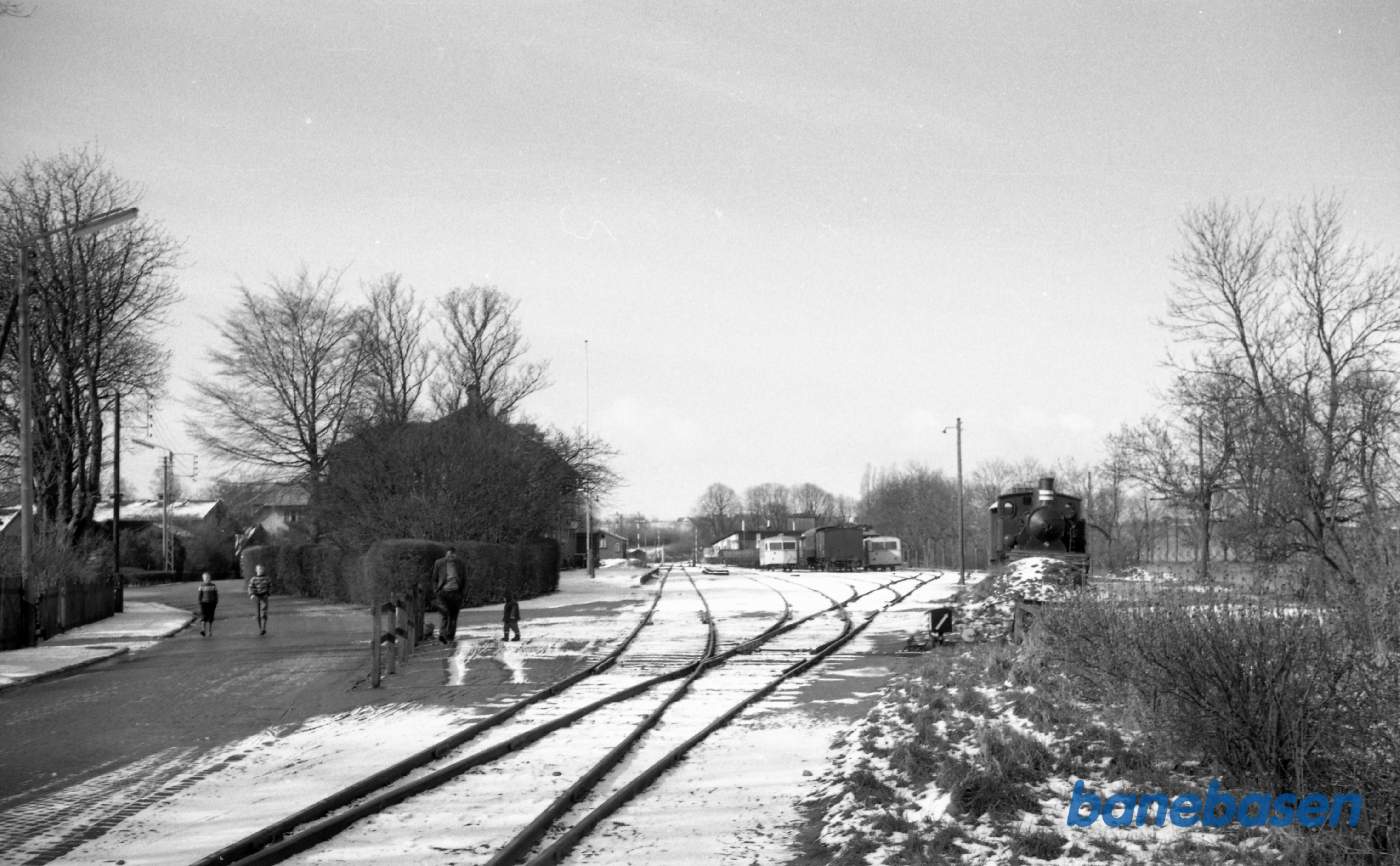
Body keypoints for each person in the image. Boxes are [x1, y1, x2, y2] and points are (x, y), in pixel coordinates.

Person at [432, 547, 466, 642]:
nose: (450, 557)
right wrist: (436, 591)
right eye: (448, 555)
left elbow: (464, 579)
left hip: (456, 592)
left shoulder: (460, 564)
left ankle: (450, 636)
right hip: (443, 592)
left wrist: (461, 593)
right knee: (445, 613)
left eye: (452, 555)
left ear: (455, 555)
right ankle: (442, 634)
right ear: (446, 554)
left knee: (454, 616)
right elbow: (434, 578)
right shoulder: (439, 563)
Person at [247, 563, 272, 635]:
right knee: (257, 614)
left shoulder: (267, 578)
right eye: (259, 569)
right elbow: (250, 587)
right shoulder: (253, 579)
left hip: (264, 596)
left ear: (263, 570)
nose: (260, 570)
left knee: (264, 612)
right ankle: (260, 628)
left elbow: (270, 586)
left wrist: (268, 593)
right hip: (256, 596)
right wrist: (251, 594)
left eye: (262, 569)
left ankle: (264, 628)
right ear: (256, 570)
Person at [197, 572, 219, 637]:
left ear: (210, 578)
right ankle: (203, 630)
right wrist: (200, 602)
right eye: (205, 578)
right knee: (203, 616)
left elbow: (216, 594)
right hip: (203, 603)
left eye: (208, 578)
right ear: (203, 579)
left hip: (212, 603)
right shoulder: (201, 586)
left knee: (210, 617)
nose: (207, 579)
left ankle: (209, 631)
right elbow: (199, 595)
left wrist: (216, 601)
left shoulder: (213, 586)